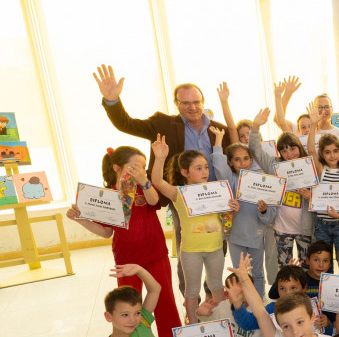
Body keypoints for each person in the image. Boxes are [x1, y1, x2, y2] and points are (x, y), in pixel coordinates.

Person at [93, 64, 235, 298]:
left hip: (215, 200)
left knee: (216, 248)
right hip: (179, 198)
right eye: (185, 103)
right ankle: (191, 299)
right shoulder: (163, 124)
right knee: (187, 248)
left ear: (203, 101)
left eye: (196, 102)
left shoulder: (219, 130)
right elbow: (126, 124)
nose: (192, 107)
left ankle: (212, 297)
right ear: (176, 104)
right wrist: (112, 101)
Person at [66, 146, 180, 337]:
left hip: (155, 253)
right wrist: (80, 219)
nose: (140, 171)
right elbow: (105, 232)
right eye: (134, 167)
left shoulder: (144, 188)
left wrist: (144, 182)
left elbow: (154, 202)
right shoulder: (106, 196)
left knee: (165, 298)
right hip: (126, 259)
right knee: (128, 304)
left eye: (143, 167)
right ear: (117, 168)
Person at [150, 134, 239, 324]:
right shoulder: (179, 193)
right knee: (191, 290)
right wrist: (159, 158)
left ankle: (222, 322)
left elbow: (226, 218)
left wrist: (233, 209)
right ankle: (192, 324)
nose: (205, 171)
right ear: (185, 172)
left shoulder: (217, 190)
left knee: (216, 286)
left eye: (206, 167)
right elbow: (157, 181)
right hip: (191, 250)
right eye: (198, 168)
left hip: (215, 247)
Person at [211, 120, 276, 298]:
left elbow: (270, 217)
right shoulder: (230, 179)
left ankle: (259, 303)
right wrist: (218, 140)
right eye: (237, 160)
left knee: (258, 274)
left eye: (246, 158)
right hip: (236, 237)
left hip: (256, 236)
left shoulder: (261, 181)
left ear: (252, 159)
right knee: (241, 274)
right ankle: (245, 303)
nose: (243, 163)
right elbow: (218, 164)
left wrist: (263, 210)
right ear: (231, 163)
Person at [247, 118, 315, 276]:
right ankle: (286, 299)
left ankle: (306, 298)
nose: (289, 154)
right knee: (284, 270)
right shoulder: (274, 166)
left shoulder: (308, 166)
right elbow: (255, 149)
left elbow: (318, 197)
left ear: (299, 147)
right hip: (281, 229)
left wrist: (309, 197)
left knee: (306, 269)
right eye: (284, 150)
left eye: (293, 149)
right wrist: (256, 127)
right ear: (279, 152)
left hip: (304, 228)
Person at [307, 123, 339, 263]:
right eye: (327, 152)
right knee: (323, 262)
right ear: (322, 153)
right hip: (322, 225)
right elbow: (310, 151)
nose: (332, 155)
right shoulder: (321, 169)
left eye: (335, 151)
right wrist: (313, 124)